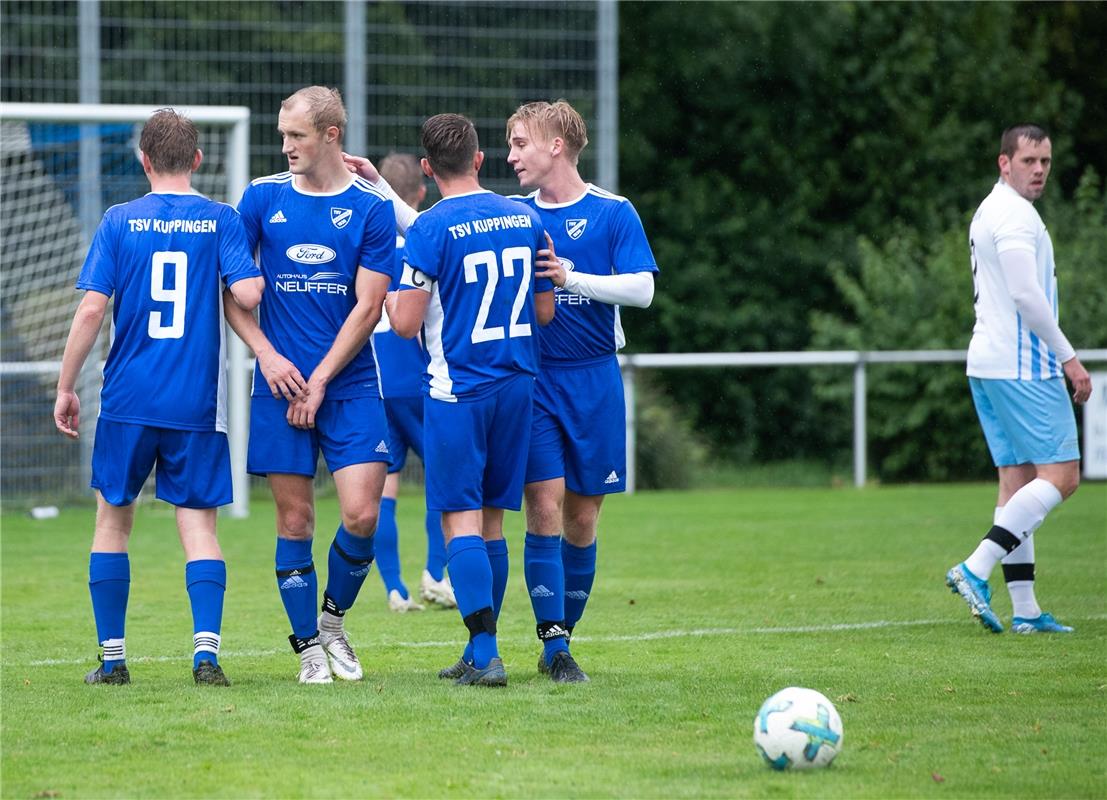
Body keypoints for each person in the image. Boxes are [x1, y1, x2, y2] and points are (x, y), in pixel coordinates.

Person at [53, 108, 264, 687]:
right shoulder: (221, 219)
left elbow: (93, 310)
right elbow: (247, 292)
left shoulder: (119, 221)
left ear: (142, 160)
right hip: (195, 403)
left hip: (127, 399)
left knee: (112, 523)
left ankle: (113, 659)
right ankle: (205, 656)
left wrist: (66, 385)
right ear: (197, 160)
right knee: (199, 528)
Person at [224, 86, 396, 684]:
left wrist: (319, 380)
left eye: (296, 135)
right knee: (294, 523)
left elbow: (370, 305)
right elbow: (234, 293)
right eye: (282, 135)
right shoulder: (260, 198)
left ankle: (332, 624)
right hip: (278, 386)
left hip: (348, 388)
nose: (286, 146)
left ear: (331, 135)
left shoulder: (371, 208)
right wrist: (268, 357)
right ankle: (306, 652)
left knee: (362, 515)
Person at [388, 113, 555, 686]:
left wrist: (390, 295)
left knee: (459, 519)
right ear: (480, 159)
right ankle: (478, 646)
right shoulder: (525, 215)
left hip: (459, 391)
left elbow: (407, 326)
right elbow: (544, 311)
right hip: (518, 385)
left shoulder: (431, 227)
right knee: (491, 524)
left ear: (429, 169)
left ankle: (485, 654)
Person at [506, 100, 658, 682]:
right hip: (535, 381)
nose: (512, 154)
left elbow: (642, 290)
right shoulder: (513, 214)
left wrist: (571, 278)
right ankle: (555, 647)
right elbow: (436, 229)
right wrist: (382, 194)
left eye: (521, 143)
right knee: (542, 507)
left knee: (582, 519)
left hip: (594, 379)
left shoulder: (613, 213)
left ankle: (563, 637)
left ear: (557, 146)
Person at [946, 123, 1092, 634]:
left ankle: (1026, 612)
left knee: (1017, 484)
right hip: (1021, 366)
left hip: (988, 364)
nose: (1038, 171)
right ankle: (974, 567)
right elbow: (1026, 295)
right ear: (1003, 163)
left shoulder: (993, 208)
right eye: (1028, 161)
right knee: (1063, 477)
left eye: (1045, 162)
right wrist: (1068, 357)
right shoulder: (1013, 216)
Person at [370, 152, 454, 612]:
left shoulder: (372, 244)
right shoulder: (428, 243)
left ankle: (394, 589)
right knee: (444, 478)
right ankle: (436, 574)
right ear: (420, 193)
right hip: (418, 375)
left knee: (386, 487)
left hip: (377, 379)